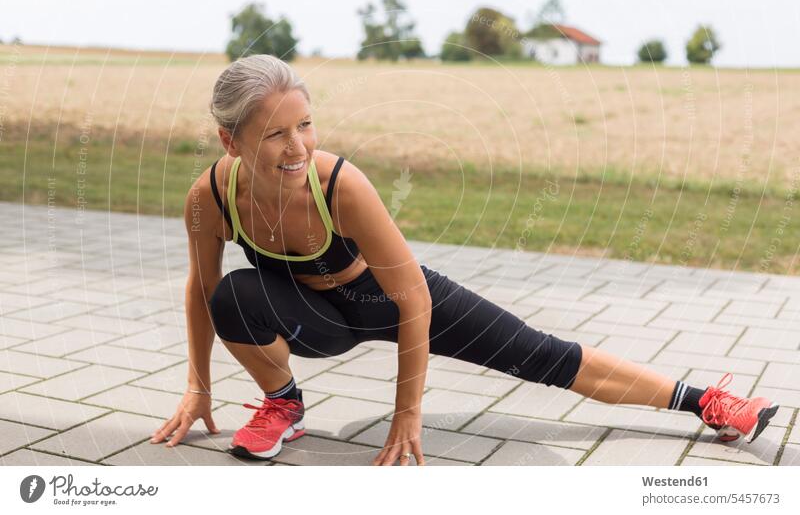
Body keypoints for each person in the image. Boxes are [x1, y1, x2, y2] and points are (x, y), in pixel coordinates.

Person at [149, 54, 779, 466]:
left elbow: (413, 300)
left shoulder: (341, 184)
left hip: (387, 297)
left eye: (305, 125)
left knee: (543, 354)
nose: (297, 146)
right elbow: (199, 290)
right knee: (229, 294)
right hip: (316, 318)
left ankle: (705, 402)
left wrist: (407, 414)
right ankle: (283, 402)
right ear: (230, 139)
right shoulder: (210, 195)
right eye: (275, 133)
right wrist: (198, 385)